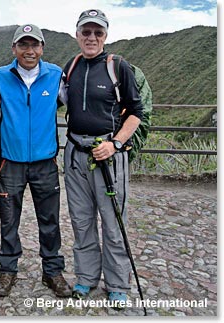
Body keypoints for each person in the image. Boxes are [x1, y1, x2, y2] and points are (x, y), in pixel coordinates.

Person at [61, 9, 143, 304]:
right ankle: (85, 278)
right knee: (81, 221)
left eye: (98, 32)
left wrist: (116, 145)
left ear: (106, 36)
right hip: (75, 155)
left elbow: (136, 113)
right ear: (77, 34)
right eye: (86, 32)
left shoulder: (117, 66)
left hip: (108, 156)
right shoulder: (70, 66)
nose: (91, 37)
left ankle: (118, 284)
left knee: (112, 220)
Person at [0, 24, 72, 298]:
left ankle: (52, 271)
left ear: (42, 48)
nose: (29, 51)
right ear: (13, 48)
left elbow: (77, 105)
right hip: (10, 163)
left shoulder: (56, 76)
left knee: (49, 219)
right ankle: (8, 270)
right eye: (23, 45)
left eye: (34, 45)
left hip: (45, 162)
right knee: (8, 219)